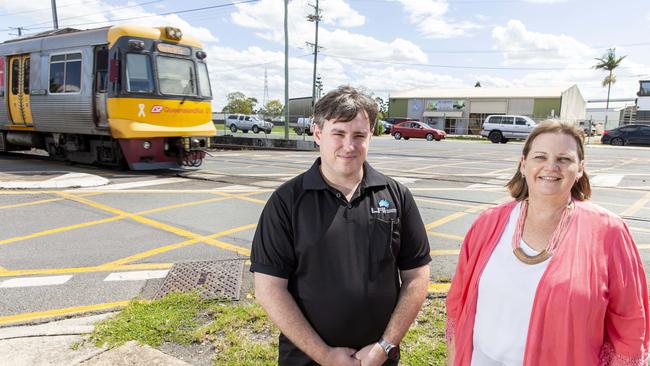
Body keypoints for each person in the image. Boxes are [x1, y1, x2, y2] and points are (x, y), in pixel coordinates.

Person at [251, 86, 431, 366]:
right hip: (305, 360)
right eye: (338, 133)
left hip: (378, 359)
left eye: (359, 135)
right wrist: (324, 355)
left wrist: (384, 347)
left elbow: (417, 277)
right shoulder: (286, 201)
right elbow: (269, 288)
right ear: (318, 133)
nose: (349, 145)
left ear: (371, 135)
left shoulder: (396, 196)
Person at [446, 120, 649, 365]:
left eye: (564, 159)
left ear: (580, 168)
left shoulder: (610, 232)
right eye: (540, 157)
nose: (551, 167)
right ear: (523, 164)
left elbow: (629, 323)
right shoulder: (487, 223)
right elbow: (458, 301)